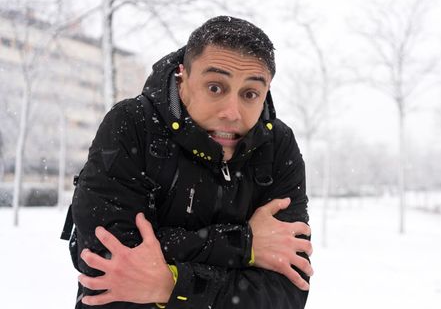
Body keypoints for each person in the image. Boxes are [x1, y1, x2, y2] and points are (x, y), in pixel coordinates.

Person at [66, 16, 313, 309]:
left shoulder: (278, 146)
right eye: (215, 88)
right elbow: (106, 265)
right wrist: (243, 244)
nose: (232, 112)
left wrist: (170, 284)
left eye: (250, 94)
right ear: (183, 78)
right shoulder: (133, 125)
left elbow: (287, 293)